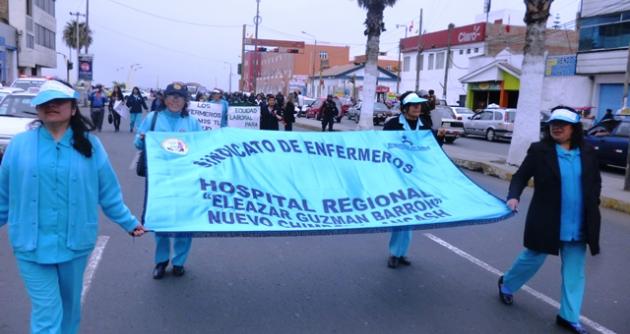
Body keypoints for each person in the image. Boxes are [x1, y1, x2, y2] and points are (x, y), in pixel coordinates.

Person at [0, 79, 145, 334]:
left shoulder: (90, 146)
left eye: (58, 101)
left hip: (75, 243)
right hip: (30, 245)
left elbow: (108, 193)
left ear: (73, 109)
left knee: (69, 312)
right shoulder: (19, 146)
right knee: (47, 313)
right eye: (45, 102)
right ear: (37, 109)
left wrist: (130, 223)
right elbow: (3, 196)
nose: (51, 106)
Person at [498, 106, 601, 334]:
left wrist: (595, 200)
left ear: (574, 129)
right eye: (553, 124)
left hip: (580, 222)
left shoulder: (588, 152)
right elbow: (521, 176)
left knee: (575, 271)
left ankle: (568, 316)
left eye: (562, 125)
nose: (556, 128)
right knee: (533, 257)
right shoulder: (539, 151)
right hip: (547, 218)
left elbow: (595, 180)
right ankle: (507, 283)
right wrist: (513, 196)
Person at [134, 82, 202, 279]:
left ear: (185, 101)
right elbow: (137, 143)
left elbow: (202, 147)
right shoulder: (153, 118)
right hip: (159, 180)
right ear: (164, 98)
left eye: (179, 97)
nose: (175, 100)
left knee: (185, 222)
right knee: (161, 220)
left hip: (185, 179)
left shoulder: (192, 122)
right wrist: (142, 138)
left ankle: (179, 261)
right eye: (171, 96)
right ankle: (161, 261)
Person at [382, 91, 445, 269]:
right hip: (396, 176)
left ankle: (400, 253)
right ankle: (395, 253)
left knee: (410, 215)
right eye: (414, 104)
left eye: (419, 104)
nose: (418, 107)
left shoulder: (424, 125)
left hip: (416, 177)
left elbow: (430, 150)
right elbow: (382, 148)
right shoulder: (393, 124)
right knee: (401, 215)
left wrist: (440, 139)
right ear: (404, 108)